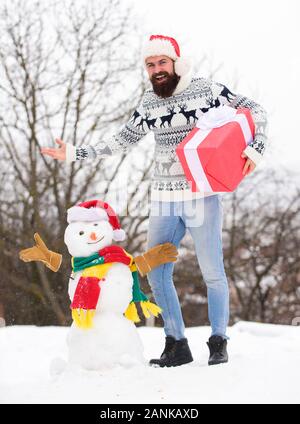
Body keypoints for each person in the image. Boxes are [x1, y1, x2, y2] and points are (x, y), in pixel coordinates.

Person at [42, 34, 268, 367]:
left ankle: (218, 340)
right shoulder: (149, 102)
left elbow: (255, 110)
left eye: (162, 62)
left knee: (212, 273)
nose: (157, 69)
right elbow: (122, 140)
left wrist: (256, 146)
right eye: (150, 65)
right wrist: (75, 152)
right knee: (158, 274)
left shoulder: (207, 90)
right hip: (163, 199)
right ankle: (176, 343)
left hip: (201, 195)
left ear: (176, 62)